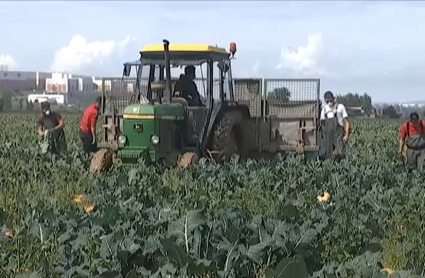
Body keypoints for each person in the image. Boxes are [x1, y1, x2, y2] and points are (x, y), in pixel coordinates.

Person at [319, 91, 351, 161]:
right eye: (327, 102)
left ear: (334, 98)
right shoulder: (324, 110)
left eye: (331, 100)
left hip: (339, 135)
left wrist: (346, 135)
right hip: (329, 137)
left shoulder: (340, 107)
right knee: (329, 156)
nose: (329, 103)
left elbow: (346, 122)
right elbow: (322, 125)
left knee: (340, 153)